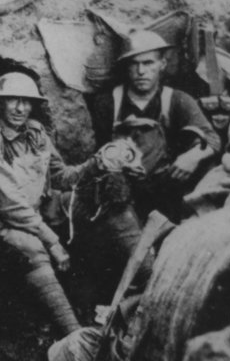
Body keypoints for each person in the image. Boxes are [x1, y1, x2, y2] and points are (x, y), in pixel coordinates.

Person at [0, 72, 102, 338]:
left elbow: (62, 176)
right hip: (2, 225)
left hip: (38, 214)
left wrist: (95, 164)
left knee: (96, 207)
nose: (20, 108)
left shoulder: (36, 131)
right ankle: (73, 335)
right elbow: (8, 204)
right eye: (12, 100)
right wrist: (52, 241)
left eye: (26, 101)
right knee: (33, 246)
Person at [88, 30, 221, 225]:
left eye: (148, 63)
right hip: (123, 190)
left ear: (162, 65)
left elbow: (213, 139)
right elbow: (92, 153)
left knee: (207, 167)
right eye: (134, 64)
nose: (141, 71)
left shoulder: (177, 100)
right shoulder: (108, 102)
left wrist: (192, 157)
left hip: (166, 189)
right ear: (126, 67)